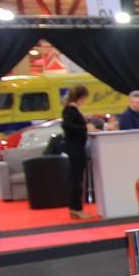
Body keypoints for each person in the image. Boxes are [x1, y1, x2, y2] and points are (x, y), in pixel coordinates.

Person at [61, 84, 95, 219]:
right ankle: (76, 208)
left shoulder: (71, 109)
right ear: (81, 97)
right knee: (77, 178)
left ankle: (75, 207)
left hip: (76, 147)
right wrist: (85, 128)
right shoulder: (71, 110)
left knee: (77, 178)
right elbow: (67, 125)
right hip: (75, 148)